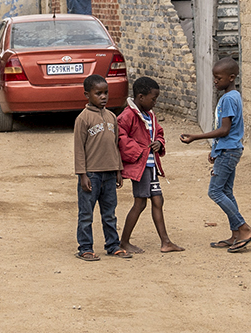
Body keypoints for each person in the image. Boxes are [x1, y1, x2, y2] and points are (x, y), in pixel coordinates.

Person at [179, 57, 250, 250]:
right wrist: (214, 149)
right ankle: (236, 235)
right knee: (226, 191)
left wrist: (196, 136)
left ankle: (244, 228)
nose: (215, 81)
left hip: (229, 150)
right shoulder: (233, 96)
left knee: (215, 191)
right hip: (227, 149)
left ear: (231, 77)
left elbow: (224, 130)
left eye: (219, 78)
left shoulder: (228, 99)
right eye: (214, 77)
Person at [117, 77, 180, 254]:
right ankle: (124, 242)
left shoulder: (150, 115)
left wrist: (159, 142)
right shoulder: (128, 115)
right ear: (140, 96)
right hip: (141, 166)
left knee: (157, 200)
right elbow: (121, 139)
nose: (155, 102)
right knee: (140, 203)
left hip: (150, 166)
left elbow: (158, 132)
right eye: (153, 99)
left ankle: (166, 242)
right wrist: (141, 151)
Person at [73, 75, 127, 261]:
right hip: (92, 175)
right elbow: (79, 149)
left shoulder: (112, 117)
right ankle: (85, 248)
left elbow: (115, 145)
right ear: (87, 94)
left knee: (109, 213)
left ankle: (113, 245)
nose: (103, 97)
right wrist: (82, 175)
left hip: (110, 174)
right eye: (98, 93)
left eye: (106, 93)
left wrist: (118, 170)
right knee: (86, 213)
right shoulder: (83, 118)